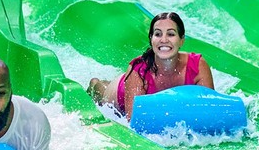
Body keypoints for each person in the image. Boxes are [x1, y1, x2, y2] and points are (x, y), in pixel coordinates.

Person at [86, 11, 215, 118]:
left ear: (181, 40)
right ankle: (94, 84)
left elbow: (211, 111)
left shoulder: (197, 66)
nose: (164, 40)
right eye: (158, 34)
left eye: (171, 34)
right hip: (119, 96)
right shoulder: (139, 70)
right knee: (101, 91)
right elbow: (134, 121)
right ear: (151, 39)